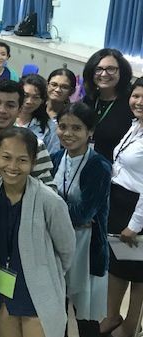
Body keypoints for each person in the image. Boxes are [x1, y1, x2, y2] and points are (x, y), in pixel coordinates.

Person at [0, 127, 75, 337]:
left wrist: (44, 271)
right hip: (1, 290)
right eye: (6, 157)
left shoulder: (50, 202)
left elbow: (67, 250)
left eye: (22, 160)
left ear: (33, 162)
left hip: (39, 290)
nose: (13, 166)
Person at [51, 102, 111, 337]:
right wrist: (69, 212)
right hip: (57, 245)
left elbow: (85, 213)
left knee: (85, 317)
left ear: (90, 132)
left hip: (87, 249)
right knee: (58, 312)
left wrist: (57, 208)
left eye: (76, 128)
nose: (68, 133)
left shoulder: (99, 166)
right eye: (62, 126)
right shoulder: (56, 158)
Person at [99, 78, 143, 337]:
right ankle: (112, 316)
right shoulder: (135, 126)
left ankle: (130, 326)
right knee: (116, 265)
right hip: (119, 203)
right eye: (136, 95)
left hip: (136, 210)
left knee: (138, 274)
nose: (139, 102)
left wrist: (135, 224)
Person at [0, 79, 55, 188]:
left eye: (10, 105)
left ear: (19, 110)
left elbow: (49, 192)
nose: (2, 110)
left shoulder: (34, 145)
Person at [82, 48, 133, 161]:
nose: (104, 74)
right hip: (86, 163)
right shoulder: (88, 100)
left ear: (122, 72)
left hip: (116, 169)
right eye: (98, 69)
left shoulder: (131, 104)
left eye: (111, 69)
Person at [17, 74, 60, 154]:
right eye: (25, 95)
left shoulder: (50, 128)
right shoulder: (6, 117)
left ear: (43, 100)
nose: (29, 101)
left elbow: (52, 157)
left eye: (36, 97)